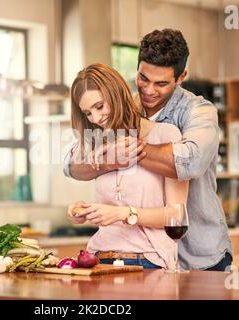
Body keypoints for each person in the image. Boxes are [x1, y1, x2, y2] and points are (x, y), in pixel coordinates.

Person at [64, 29, 232, 271]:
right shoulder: (119, 111)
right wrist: (105, 160)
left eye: (161, 83)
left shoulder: (198, 111)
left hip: (200, 252)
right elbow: (70, 163)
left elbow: (190, 162)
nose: (149, 90)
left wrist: (128, 150)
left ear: (181, 76)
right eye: (143, 78)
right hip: (146, 256)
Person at [67, 63, 189, 270]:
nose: (95, 119)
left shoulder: (165, 135)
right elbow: (72, 166)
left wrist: (123, 213)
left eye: (99, 107)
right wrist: (85, 211)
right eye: (87, 113)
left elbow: (176, 215)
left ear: (116, 94)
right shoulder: (99, 144)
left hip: (149, 260)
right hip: (100, 259)